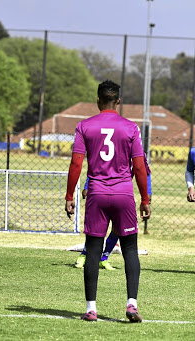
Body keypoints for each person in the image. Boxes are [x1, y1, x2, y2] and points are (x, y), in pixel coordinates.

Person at [64, 80, 151, 322]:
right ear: (119, 102)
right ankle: (132, 304)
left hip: (97, 194)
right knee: (130, 248)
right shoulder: (131, 128)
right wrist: (145, 199)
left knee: (93, 249)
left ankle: (91, 308)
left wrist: (70, 195)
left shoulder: (84, 126)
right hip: (123, 194)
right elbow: (140, 167)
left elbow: (76, 164)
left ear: (98, 100)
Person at [75, 155, 152, 270]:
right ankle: (84, 255)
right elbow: (96, 166)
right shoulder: (114, 145)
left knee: (117, 228)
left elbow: (145, 172)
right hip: (102, 189)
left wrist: (148, 192)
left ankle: (104, 258)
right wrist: (87, 185)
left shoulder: (138, 152)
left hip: (122, 192)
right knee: (96, 228)